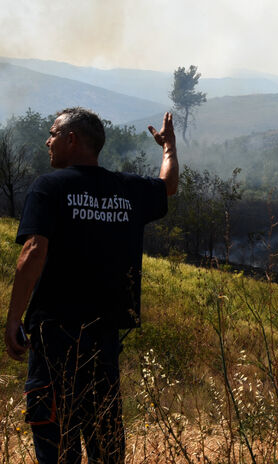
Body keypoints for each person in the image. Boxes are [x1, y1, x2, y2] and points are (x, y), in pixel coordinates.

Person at [4, 108, 178, 463]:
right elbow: (168, 186)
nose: (47, 141)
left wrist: (12, 320)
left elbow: (34, 251)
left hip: (54, 339)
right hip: (104, 341)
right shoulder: (127, 190)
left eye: (53, 134)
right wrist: (169, 147)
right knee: (105, 445)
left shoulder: (49, 187)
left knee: (57, 446)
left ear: (71, 140)